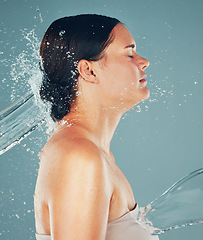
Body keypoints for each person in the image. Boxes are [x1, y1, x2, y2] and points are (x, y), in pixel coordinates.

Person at [34, 14, 157, 240]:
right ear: (88, 71)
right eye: (129, 54)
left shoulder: (96, 153)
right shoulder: (79, 156)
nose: (143, 61)